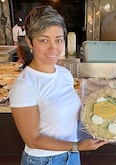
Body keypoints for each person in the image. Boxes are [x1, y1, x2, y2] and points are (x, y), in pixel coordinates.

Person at [9, 6, 108, 165]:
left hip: (72, 156)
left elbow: (69, 115)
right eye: (44, 40)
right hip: (43, 161)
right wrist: (78, 146)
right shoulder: (24, 85)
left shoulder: (64, 74)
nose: (53, 48)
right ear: (29, 41)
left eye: (58, 39)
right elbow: (33, 140)